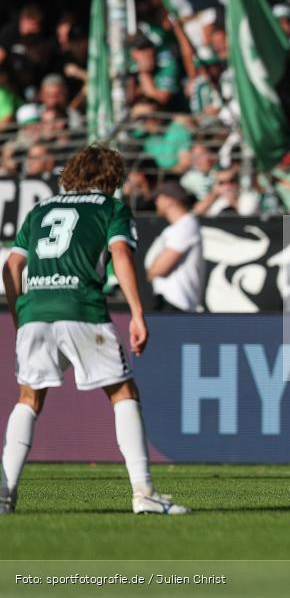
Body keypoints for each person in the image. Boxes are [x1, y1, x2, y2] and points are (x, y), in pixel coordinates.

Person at [0, 144, 189, 515]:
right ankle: (145, 494)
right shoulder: (110, 208)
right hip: (80, 306)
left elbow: (12, 266)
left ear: (73, 173)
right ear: (113, 177)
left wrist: (20, 315)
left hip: (35, 309)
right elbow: (120, 254)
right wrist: (137, 313)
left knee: (29, 398)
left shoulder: (40, 209)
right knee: (123, 392)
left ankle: (5, 496)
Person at [147, 182, 205, 313]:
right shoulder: (176, 228)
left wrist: (152, 270)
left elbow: (159, 269)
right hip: (168, 303)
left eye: (159, 198)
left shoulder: (186, 225)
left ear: (169, 200)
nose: (156, 202)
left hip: (177, 304)